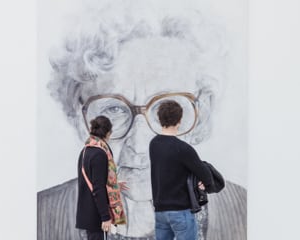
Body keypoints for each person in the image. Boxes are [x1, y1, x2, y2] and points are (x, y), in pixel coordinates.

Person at [37, 1, 247, 240]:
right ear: (79, 115)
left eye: (166, 106)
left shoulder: (242, 209)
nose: (138, 145)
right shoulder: (41, 215)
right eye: (114, 108)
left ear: (203, 112)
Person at [149, 100, 214, 240]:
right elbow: (206, 176)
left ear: (160, 119)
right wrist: (204, 184)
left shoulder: (153, 144)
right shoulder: (183, 149)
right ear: (179, 121)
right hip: (180, 212)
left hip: (160, 212)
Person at [76, 115, 126, 239]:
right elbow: (97, 188)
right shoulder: (100, 154)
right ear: (108, 133)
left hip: (88, 212)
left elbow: (92, 182)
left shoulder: (85, 151)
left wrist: (113, 186)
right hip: (96, 216)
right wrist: (105, 217)